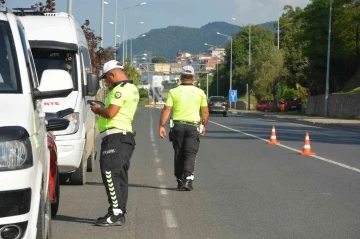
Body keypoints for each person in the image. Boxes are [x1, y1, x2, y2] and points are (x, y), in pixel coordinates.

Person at [90, 60, 139, 226]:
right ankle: (119, 212)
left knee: (110, 174)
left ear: (112, 74)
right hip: (123, 136)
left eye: (106, 78)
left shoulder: (119, 90)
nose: (106, 82)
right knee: (120, 177)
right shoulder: (132, 88)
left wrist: (98, 110)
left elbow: (111, 113)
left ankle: (115, 214)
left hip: (115, 138)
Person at [159, 65, 209, 191]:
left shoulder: (173, 91)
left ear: (180, 77)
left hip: (178, 126)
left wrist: (161, 125)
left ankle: (180, 179)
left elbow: (167, 110)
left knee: (179, 153)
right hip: (193, 126)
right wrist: (203, 125)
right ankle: (188, 178)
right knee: (190, 153)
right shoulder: (200, 92)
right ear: (193, 78)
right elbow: (205, 112)